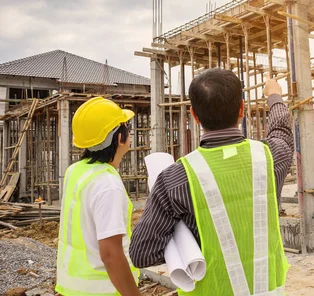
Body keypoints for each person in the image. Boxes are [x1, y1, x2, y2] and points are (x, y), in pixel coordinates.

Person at [130, 68, 294, 295]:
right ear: (242, 109)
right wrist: (274, 95)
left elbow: (142, 252)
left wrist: (183, 241)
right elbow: (282, 132)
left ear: (194, 115)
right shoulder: (270, 157)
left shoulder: (175, 179)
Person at [55, 96, 141, 296]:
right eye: (126, 127)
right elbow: (110, 254)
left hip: (74, 288)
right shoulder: (107, 185)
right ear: (120, 138)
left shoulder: (75, 170)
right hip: (104, 290)